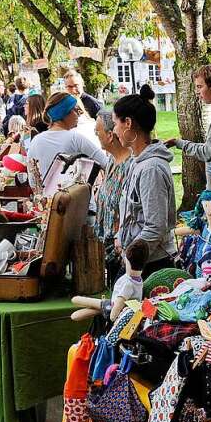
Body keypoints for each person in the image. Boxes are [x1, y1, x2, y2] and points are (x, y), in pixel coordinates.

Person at [112, 84, 177, 276]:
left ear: (128, 123)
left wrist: (131, 256)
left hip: (151, 266)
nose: (114, 130)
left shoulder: (151, 169)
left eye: (116, 123)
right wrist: (120, 238)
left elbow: (155, 226)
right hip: (139, 262)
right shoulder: (137, 162)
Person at [25, 92, 107, 194]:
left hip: (47, 204)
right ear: (64, 113)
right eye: (75, 110)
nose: (78, 114)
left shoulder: (36, 141)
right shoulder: (75, 138)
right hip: (77, 205)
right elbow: (106, 163)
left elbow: (32, 181)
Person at [93, 107, 134, 287]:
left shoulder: (131, 166)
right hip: (110, 251)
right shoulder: (111, 160)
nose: (96, 135)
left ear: (110, 135)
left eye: (97, 132)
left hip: (123, 254)